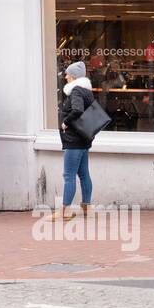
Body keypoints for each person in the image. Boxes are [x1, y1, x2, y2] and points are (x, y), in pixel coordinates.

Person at [51, 61, 96, 222]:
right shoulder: (86, 91)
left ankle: (65, 210)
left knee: (68, 175)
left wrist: (66, 122)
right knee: (84, 174)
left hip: (74, 140)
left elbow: (77, 110)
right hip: (83, 139)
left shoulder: (76, 91)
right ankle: (86, 207)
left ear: (74, 76)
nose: (65, 76)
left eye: (68, 74)